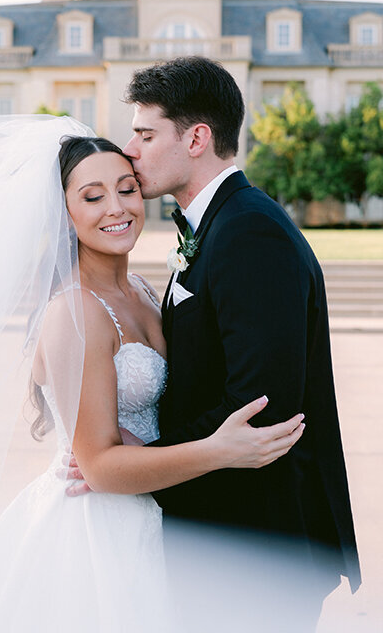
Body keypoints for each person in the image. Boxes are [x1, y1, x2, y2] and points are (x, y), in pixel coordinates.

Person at [0, 117, 303, 633]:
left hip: (164, 516)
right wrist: (220, 449)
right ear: (64, 215)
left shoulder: (143, 290)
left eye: (126, 189)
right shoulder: (72, 312)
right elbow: (97, 468)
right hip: (98, 529)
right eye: (93, 197)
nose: (117, 208)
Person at [118, 55, 361, 631]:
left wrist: (138, 464)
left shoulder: (249, 232)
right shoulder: (216, 226)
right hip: (225, 540)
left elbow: (259, 408)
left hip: (257, 550)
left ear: (197, 137)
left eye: (146, 133)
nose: (131, 148)